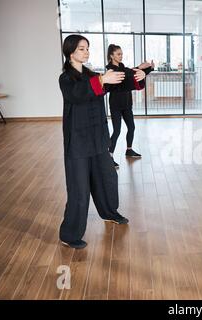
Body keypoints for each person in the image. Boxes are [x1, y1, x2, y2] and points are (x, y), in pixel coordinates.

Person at [58, 34, 146, 249]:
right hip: (78, 140)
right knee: (79, 188)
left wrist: (140, 75)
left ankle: (109, 212)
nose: (86, 52)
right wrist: (101, 81)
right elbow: (78, 94)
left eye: (87, 48)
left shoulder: (92, 75)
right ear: (70, 52)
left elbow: (116, 84)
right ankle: (69, 235)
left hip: (98, 138)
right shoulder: (66, 78)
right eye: (81, 49)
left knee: (107, 178)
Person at [106, 44, 154, 168]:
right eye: (118, 54)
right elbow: (127, 74)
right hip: (116, 105)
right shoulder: (111, 70)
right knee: (117, 131)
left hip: (127, 103)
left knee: (131, 127)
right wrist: (140, 67)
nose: (121, 56)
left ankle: (129, 149)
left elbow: (132, 74)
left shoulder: (122, 67)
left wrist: (149, 69)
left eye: (121, 54)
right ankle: (109, 156)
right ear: (111, 55)